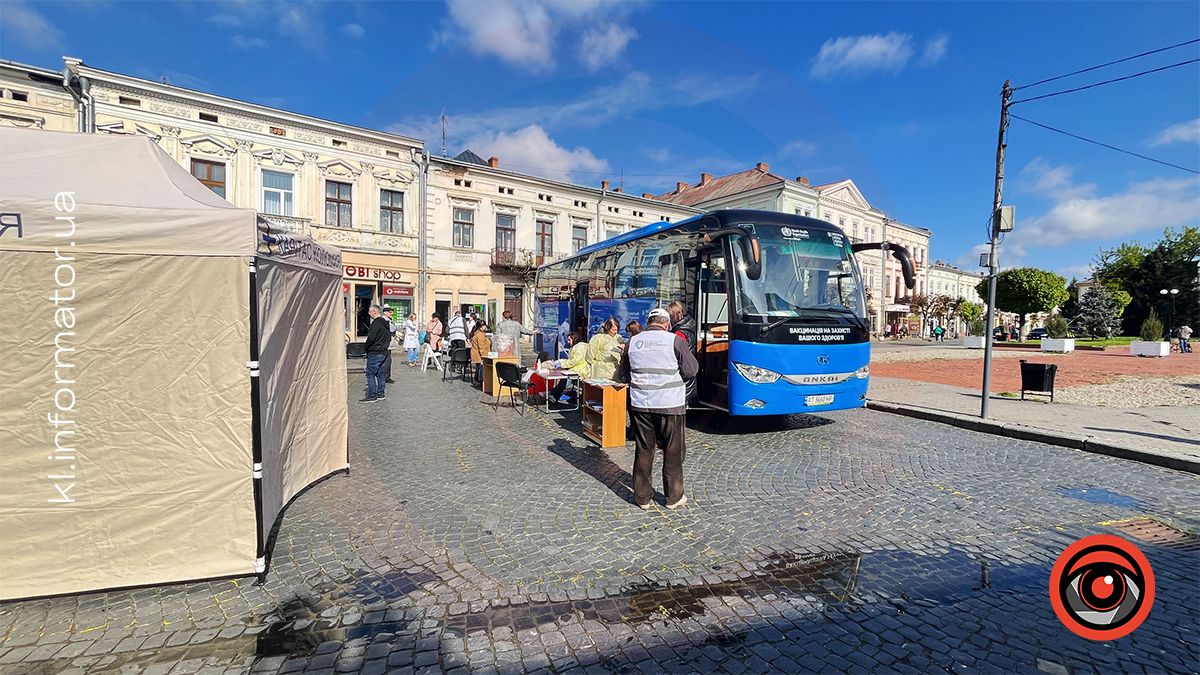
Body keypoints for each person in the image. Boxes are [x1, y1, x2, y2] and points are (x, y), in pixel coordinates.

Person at [617, 307, 698, 510]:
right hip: (669, 404)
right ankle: (673, 497)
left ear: (649, 323)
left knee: (644, 449)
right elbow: (691, 370)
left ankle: (643, 498)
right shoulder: (674, 341)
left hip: (641, 405)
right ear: (666, 323)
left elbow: (624, 374)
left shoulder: (632, 342)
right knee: (673, 450)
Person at [362, 305, 390, 402]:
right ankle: (381, 393)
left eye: (370, 312)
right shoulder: (385, 324)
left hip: (375, 352)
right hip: (384, 352)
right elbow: (389, 338)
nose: (369, 314)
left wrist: (366, 347)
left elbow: (371, 338)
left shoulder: (375, 324)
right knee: (380, 373)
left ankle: (372, 395)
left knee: (370, 374)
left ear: (374, 312)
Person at [550, 332, 590, 401]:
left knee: (565, 379)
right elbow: (572, 360)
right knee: (564, 378)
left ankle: (554, 394)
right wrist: (562, 362)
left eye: (569, 340)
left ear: (574, 339)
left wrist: (562, 364)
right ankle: (554, 394)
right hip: (579, 368)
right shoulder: (578, 346)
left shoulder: (579, 347)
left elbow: (574, 361)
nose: (568, 342)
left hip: (581, 370)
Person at [468, 319, 492, 384]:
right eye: (484, 326)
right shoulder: (480, 335)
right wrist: (484, 356)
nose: (486, 327)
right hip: (479, 355)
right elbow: (481, 347)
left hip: (477, 354)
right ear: (481, 327)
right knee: (479, 369)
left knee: (478, 368)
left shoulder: (479, 333)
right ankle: (479, 381)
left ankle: (478, 381)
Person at [382, 306, 398, 383]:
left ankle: (387, 376)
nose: (392, 313)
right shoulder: (385, 320)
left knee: (388, 361)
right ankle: (385, 377)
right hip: (386, 344)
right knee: (387, 361)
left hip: (388, 344)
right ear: (385, 312)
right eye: (390, 312)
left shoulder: (389, 320)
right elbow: (393, 329)